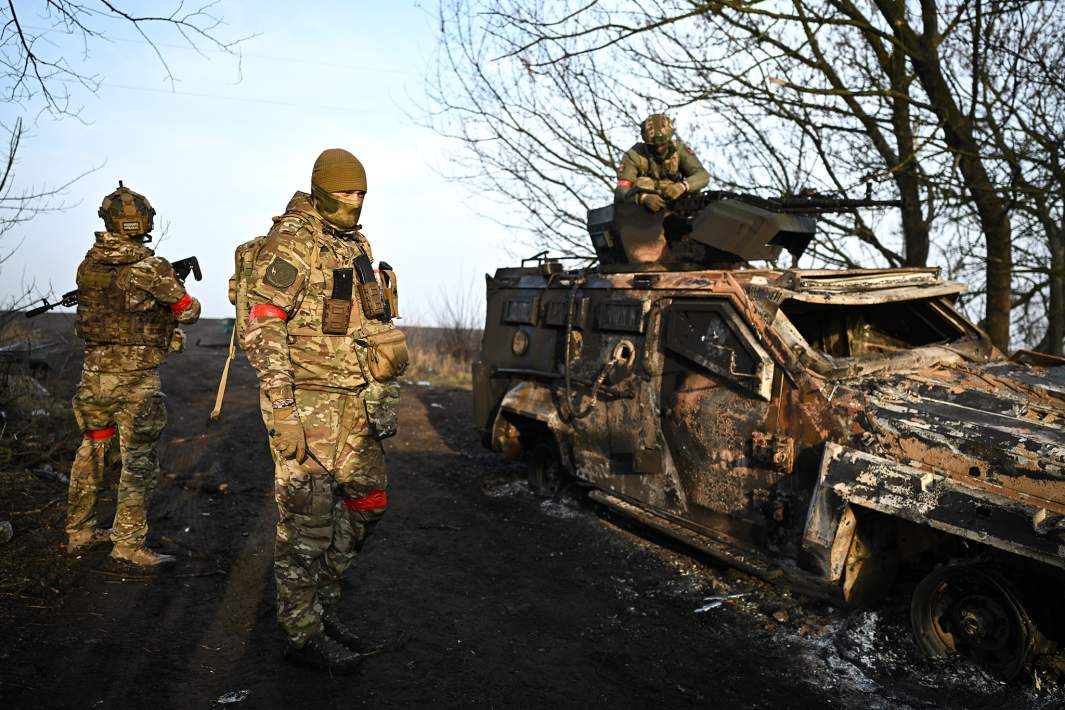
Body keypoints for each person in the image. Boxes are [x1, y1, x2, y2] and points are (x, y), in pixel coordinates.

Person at [242, 148, 404, 673]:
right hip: (307, 402)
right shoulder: (292, 240)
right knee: (304, 527)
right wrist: (283, 409)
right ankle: (302, 634)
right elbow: (262, 324)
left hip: (355, 400)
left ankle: (320, 604)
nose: (354, 202)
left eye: (361, 194)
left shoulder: (356, 242)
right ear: (320, 189)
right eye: (344, 194)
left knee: (369, 502)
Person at [66, 181, 201, 567]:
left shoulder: (88, 264)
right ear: (143, 221)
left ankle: (79, 531)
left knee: (92, 448)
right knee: (138, 460)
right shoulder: (151, 267)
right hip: (137, 382)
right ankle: (127, 544)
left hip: (93, 376)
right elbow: (188, 311)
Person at [614, 113, 710, 213]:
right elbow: (621, 190)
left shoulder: (679, 149)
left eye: (663, 144)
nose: (659, 149)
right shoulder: (634, 155)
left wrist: (683, 186)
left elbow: (702, 175)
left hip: (678, 206)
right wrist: (643, 198)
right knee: (643, 182)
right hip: (644, 214)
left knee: (694, 191)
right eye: (653, 146)